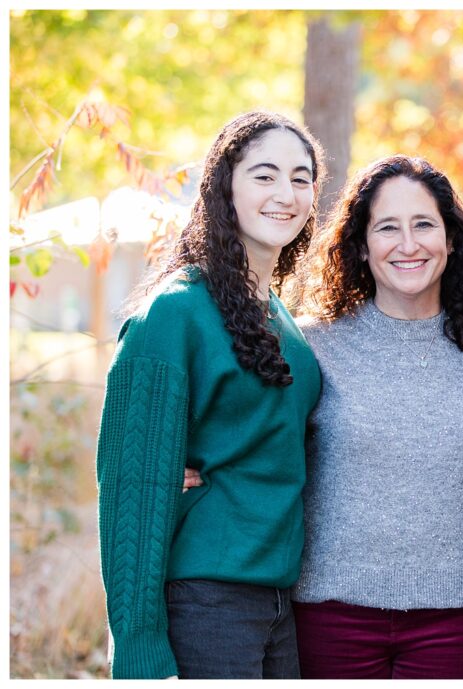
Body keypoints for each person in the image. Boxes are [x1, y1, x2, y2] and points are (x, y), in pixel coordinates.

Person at [95, 111, 326, 678]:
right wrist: (139, 651)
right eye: (264, 175)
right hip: (204, 602)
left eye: (301, 178)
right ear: (224, 186)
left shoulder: (283, 320)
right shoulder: (175, 312)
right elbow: (131, 491)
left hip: (278, 602)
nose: (286, 193)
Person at [288, 155, 463, 679]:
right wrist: (191, 465)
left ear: (451, 240)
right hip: (329, 613)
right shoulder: (313, 343)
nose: (408, 245)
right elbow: (251, 432)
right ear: (362, 245)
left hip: (458, 614)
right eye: (388, 227)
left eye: (424, 225)